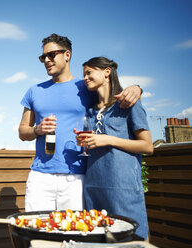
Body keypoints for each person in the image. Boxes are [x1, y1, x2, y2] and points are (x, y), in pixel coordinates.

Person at [18, 33, 142, 212]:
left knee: (73, 234)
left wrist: (136, 88)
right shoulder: (34, 91)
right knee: (36, 231)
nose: (46, 60)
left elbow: (112, 92)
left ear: (67, 55)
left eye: (51, 55)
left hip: (76, 176)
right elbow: (22, 132)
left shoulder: (86, 86)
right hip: (40, 176)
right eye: (43, 57)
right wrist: (37, 129)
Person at [77, 57, 153, 240]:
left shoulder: (127, 103)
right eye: (84, 74)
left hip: (122, 189)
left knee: (133, 239)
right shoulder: (90, 111)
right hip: (93, 188)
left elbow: (147, 146)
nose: (85, 78)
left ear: (107, 72)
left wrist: (108, 139)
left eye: (89, 72)